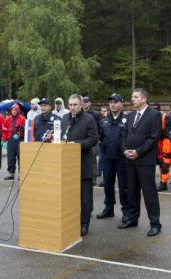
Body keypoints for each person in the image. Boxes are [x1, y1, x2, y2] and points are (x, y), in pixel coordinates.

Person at [119, 88, 162, 237]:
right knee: (132, 192)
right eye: (132, 97)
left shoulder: (154, 115)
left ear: (144, 99)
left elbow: (153, 138)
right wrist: (125, 150)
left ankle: (155, 224)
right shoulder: (130, 116)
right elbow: (124, 135)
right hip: (130, 160)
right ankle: (132, 219)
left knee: (149, 193)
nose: (133, 99)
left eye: (135, 97)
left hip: (145, 160)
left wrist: (138, 152)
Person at [61, 94, 98, 237]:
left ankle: (84, 224)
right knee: (70, 196)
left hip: (83, 163)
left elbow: (94, 139)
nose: (72, 107)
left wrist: (76, 145)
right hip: (67, 166)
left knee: (85, 198)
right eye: (70, 105)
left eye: (75, 104)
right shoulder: (65, 119)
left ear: (81, 105)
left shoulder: (89, 120)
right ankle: (71, 221)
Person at [96, 93, 129, 222]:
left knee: (123, 187)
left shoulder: (127, 119)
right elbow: (100, 138)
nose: (113, 104)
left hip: (122, 159)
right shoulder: (103, 121)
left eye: (115, 102)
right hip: (108, 158)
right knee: (108, 185)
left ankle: (126, 211)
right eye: (111, 102)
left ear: (121, 103)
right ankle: (108, 209)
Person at [2, 103, 26, 180]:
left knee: (20, 157)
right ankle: (11, 173)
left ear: (18, 110)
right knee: (10, 157)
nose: (14, 111)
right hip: (10, 140)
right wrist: (4, 140)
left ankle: (20, 173)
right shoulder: (8, 119)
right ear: (11, 111)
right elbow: (4, 130)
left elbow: (25, 130)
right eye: (13, 110)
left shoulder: (22, 119)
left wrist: (20, 134)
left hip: (19, 140)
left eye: (15, 110)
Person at [83, 96, 102, 186]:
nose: (84, 103)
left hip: (93, 140)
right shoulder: (80, 113)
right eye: (83, 101)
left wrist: (98, 138)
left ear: (90, 103)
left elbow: (100, 127)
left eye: (86, 102)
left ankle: (93, 179)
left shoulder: (96, 114)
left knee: (93, 159)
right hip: (83, 139)